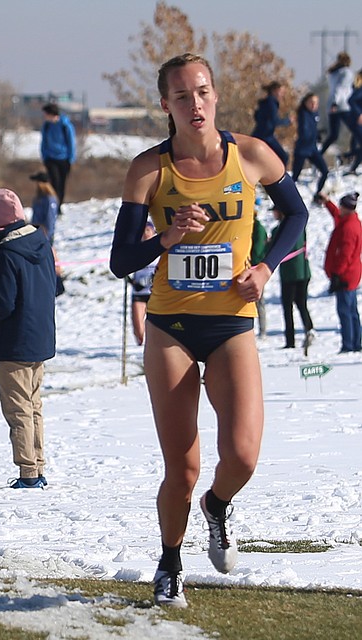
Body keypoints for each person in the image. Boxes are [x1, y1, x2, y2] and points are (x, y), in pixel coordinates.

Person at [108, 53, 309, 609]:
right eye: (180, 96)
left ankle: (217, 507)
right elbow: (121, 260)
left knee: (242, 455)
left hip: (231, 323)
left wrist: (266, 267)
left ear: (215, 95)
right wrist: (167, 237)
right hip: (170, 325)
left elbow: (297, 217)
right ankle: (170, 560)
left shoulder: (252, 155)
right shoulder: (150, 169)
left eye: (202, 92)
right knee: (185, 465)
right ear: (166, 105)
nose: (194, 104)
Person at [0, 188, 58, 490]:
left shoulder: (5, 254)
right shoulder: (40, 242)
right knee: (33, 404)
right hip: (40, 336)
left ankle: (28, 472)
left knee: (17, 407)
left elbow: (4, 302)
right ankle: (37, 464)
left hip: (14, 340)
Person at [268, 205, 314, 351]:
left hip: (289, 274)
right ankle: (309, 329)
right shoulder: (300, 227)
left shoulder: (278, 230)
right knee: (302, 304)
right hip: (304, 271)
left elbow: (271, 250)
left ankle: (290, 340)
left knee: (287, 307)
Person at [323, 191, 361, 353]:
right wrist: (327, 202)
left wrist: (337, 274)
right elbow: (336, 215)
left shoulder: (348, 228)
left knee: (345, 311)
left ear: (346, 208)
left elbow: (345, 253)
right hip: (350, 273)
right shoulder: (348, 221)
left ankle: (349, 344)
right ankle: (356, 341)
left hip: (345, 275)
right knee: (352, 310)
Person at [291, 93, 329, 198]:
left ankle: (318, 194)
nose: (313, 105)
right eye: (311, 102)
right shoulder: (302, 114)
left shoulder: (315, 114)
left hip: (312, 149)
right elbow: (304, 131)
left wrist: (318, 134)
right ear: (306, 103)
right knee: (294, 177)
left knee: (325, 171)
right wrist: (310, 134)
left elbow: (313, 129)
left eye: (316, 103)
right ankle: (283, 202)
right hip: (302, 149)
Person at [39, 102, 76, 212]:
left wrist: (71, 158)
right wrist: (44, 156)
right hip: (50, 159)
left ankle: (58, 205)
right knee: (54, 181)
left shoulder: (65, 125)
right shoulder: (46, 126)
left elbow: (71, 142)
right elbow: (43, 142)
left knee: (61, 184)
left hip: (64, 159)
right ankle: (54, 205)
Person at [129, 222, 158, 347]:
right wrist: (131, 281)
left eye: (148, 230)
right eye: (143, 231)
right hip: (139, 293)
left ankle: (152, 348)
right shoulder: (136, 250)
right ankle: (140, 345)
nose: (145, 233)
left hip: (155, 293)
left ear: (153, 232)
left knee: (155, 326)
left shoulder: (159, 249)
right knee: (138, 328)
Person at [320, 52, 354, 158]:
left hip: (332, 105)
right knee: (356, 130)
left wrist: (333, 103)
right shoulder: (346, 73)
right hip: (343, 105)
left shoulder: (333, 72)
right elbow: (341, 89)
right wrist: (336, 101)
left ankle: (319, 154)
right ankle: (351, 154)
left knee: (333, 135)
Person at [251, 81, 292, 166]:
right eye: (281, 92)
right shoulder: (271, 103)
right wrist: (288, 121)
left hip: (259, 135)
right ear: (274, 91)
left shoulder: (265, 102)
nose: (282, 95)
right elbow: (275, 121)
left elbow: (256, 116)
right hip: (266, 137)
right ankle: (276, 177)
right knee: (283, 157)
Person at [29, 171, 59, 241]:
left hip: (44, 235)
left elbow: (50, 218)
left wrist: (47, 235)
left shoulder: (49, 199)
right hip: (36, 233)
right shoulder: (39, 198)